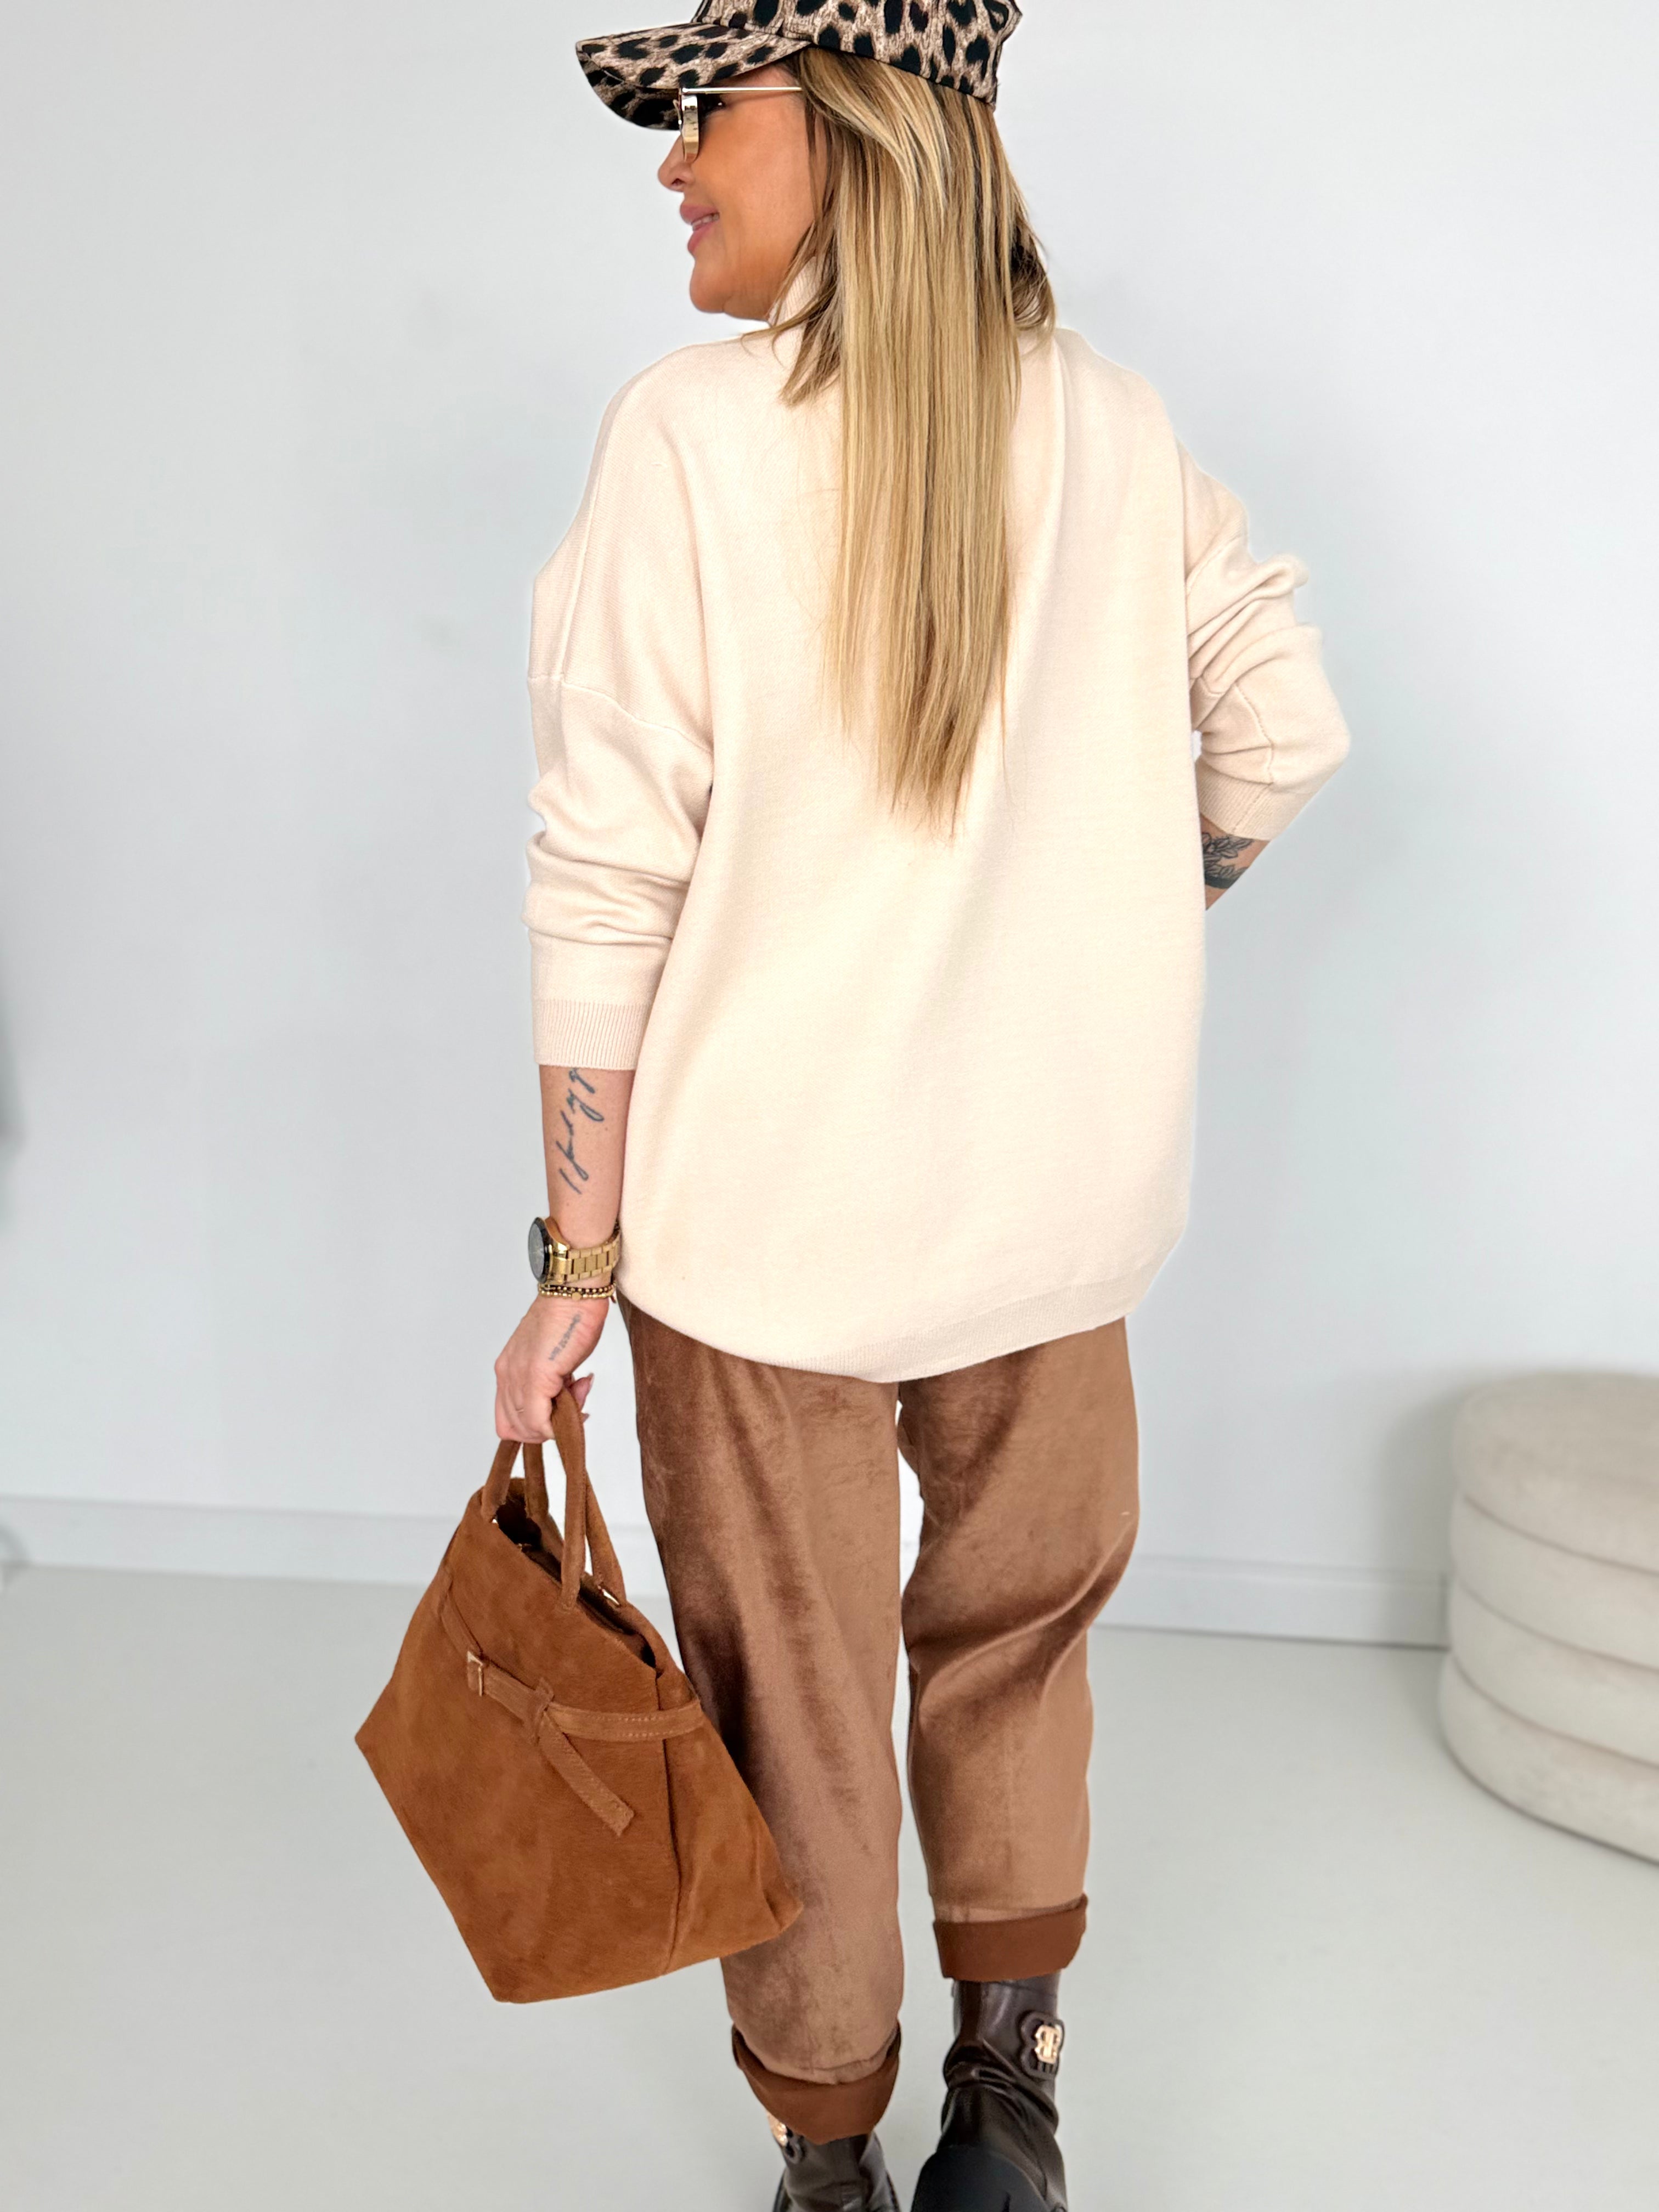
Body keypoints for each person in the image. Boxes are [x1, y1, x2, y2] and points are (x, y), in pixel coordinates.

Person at [493, 6, 1350, 2207]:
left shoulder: (693, 438)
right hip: (1058, 1217)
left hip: (760, 1236)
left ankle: (829, 2160)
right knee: (1014, 1655)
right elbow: (1280, 726)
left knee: (790, 1702)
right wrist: (1098, 927)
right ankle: (1012, 2098)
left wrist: (574, 1262)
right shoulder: (1111, 426)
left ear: (856, 129)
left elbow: (607, 878)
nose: (673, 163)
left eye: (711, 110)